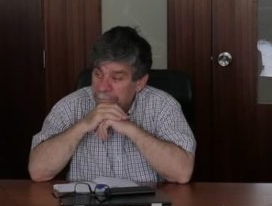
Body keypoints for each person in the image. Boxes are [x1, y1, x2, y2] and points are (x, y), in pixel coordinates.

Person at [28, 26, 196, 185]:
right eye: (98, 74)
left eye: (116, 78)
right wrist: (83, 125)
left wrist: (130, 129)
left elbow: (182, 173)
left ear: (139, 82)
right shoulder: (71, 105)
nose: (102, 87)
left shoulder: (163, 106)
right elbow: (38, 171)